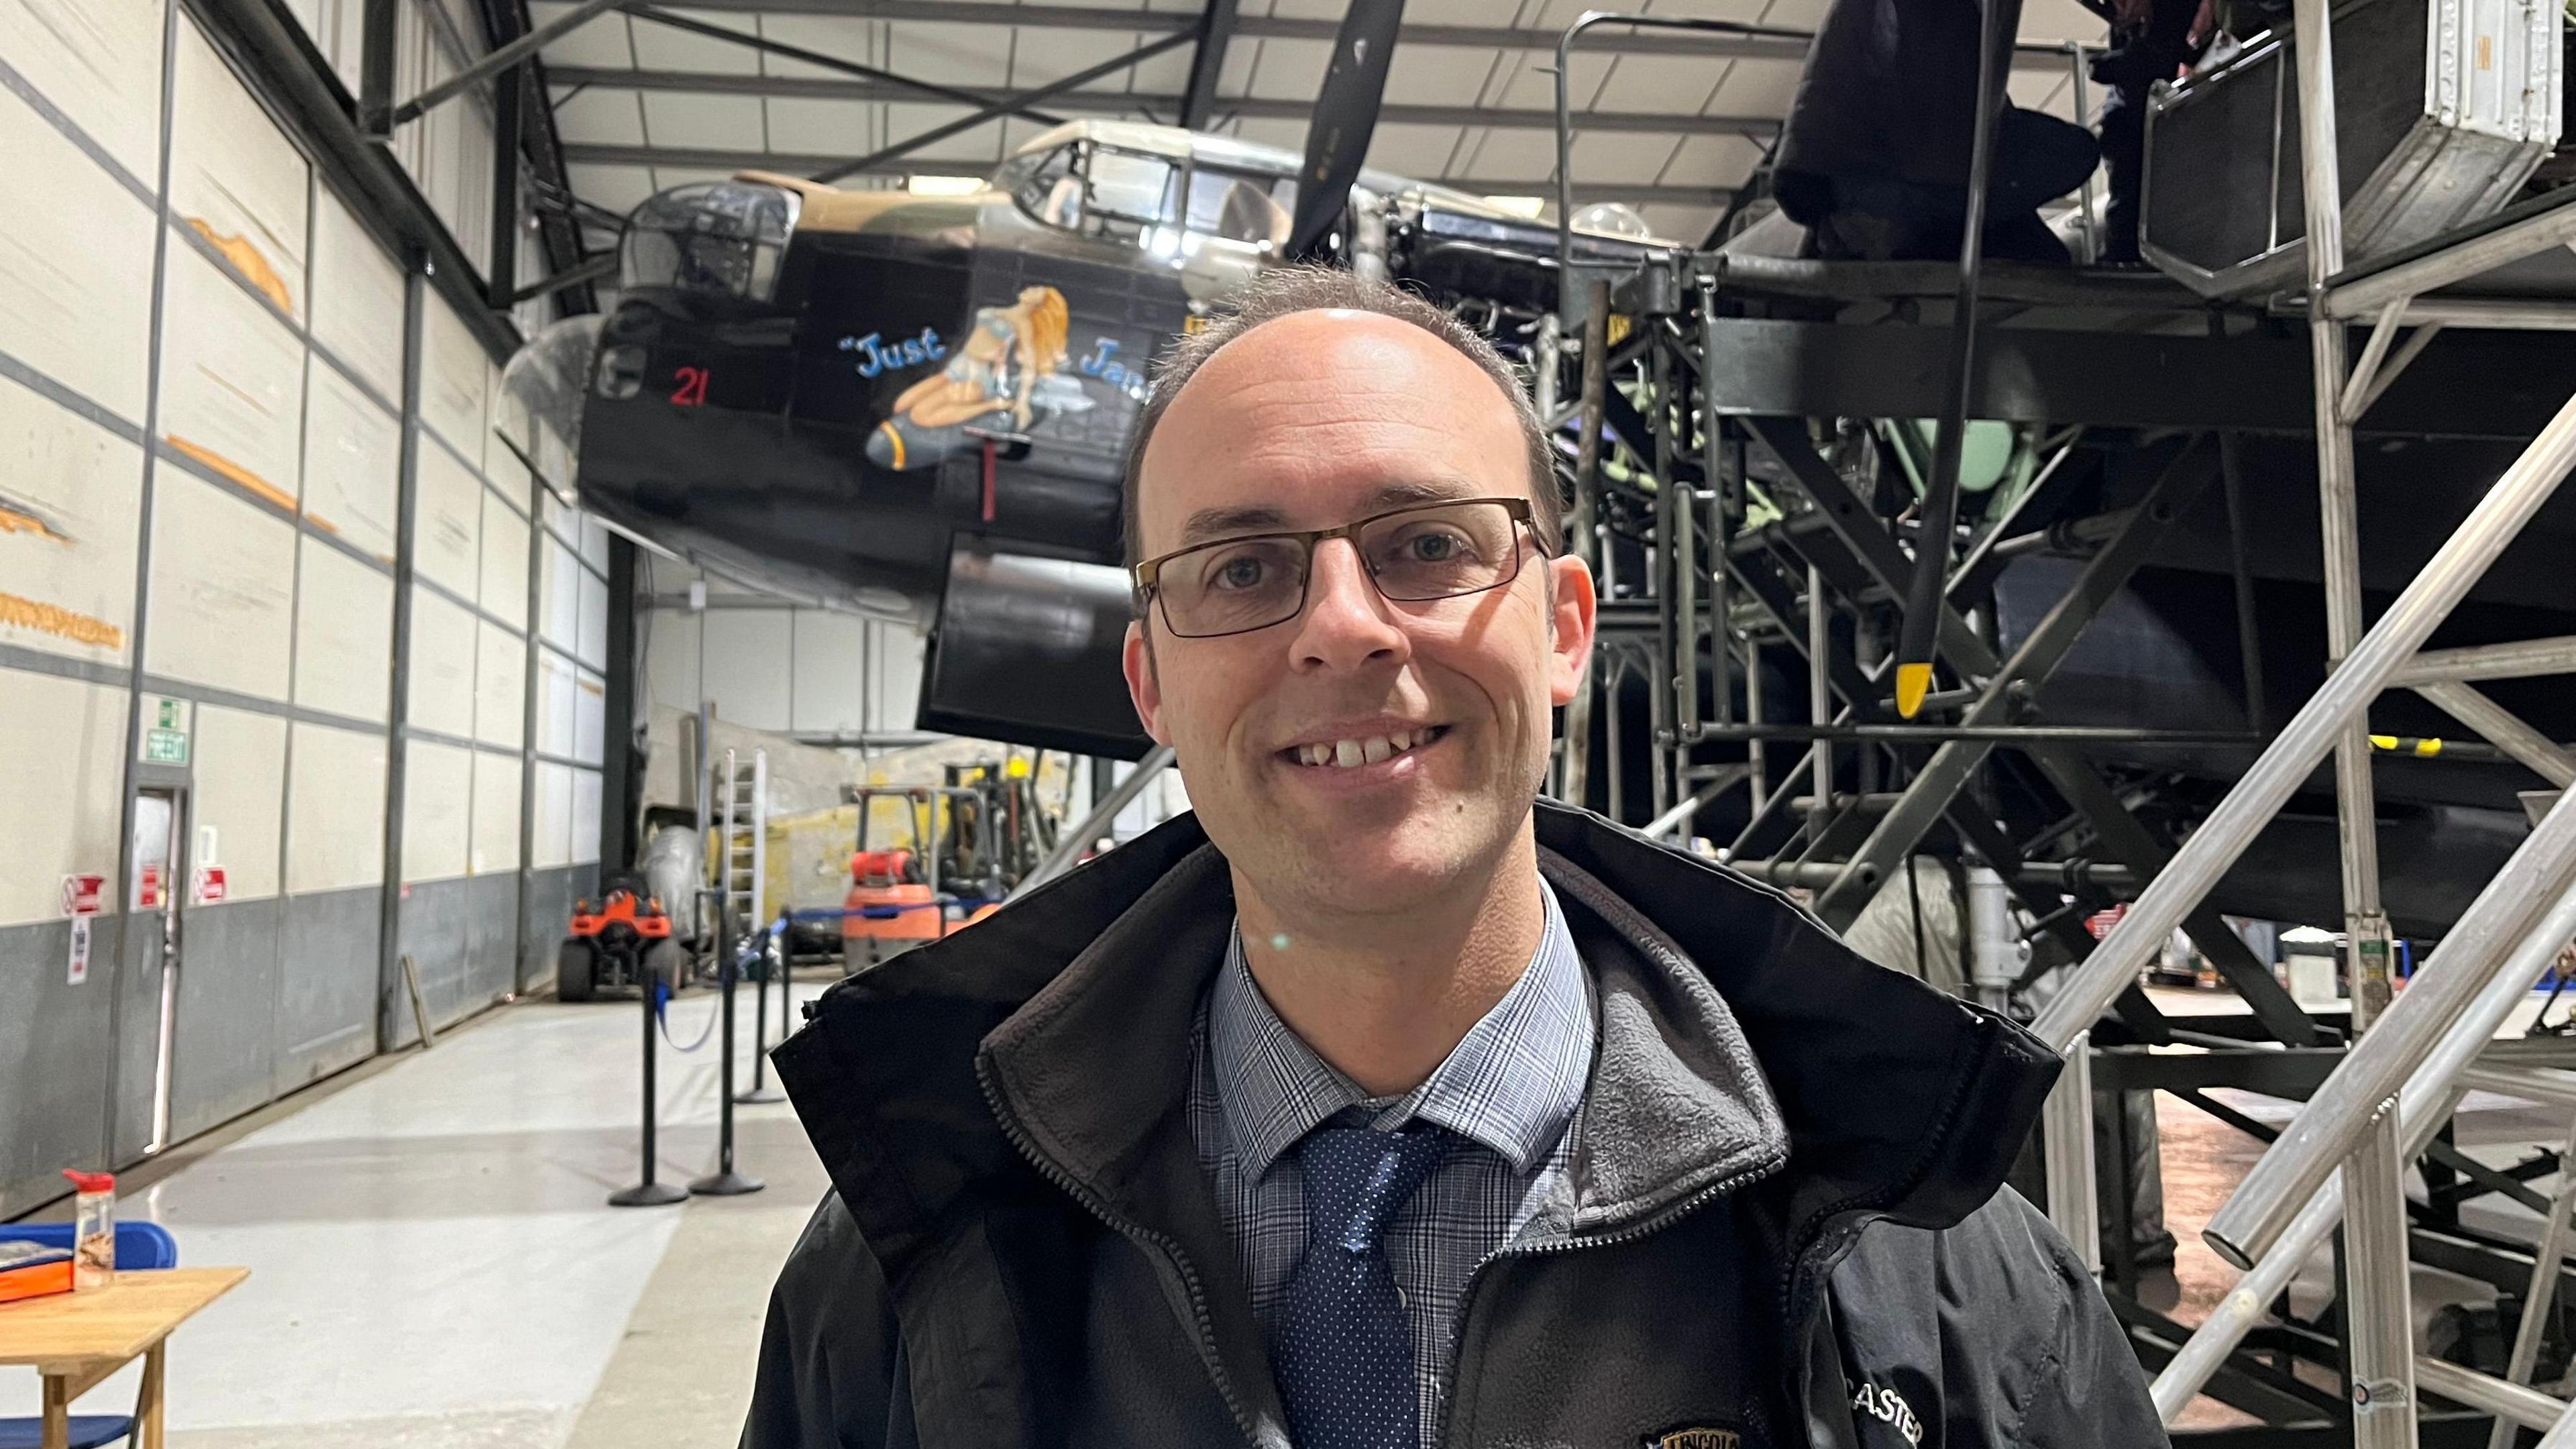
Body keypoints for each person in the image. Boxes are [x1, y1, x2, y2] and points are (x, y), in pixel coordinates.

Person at [741, 267, 2168, 1449]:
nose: (1347, 627)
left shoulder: (1942, 1279)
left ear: (1561, 628)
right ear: (1152, 688)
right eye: (1243, 569)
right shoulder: (907, 1273)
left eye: (1425, 543)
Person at [1774, 0, 2100, 264]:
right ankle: (1876, 227)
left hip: (1864, 178)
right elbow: (1945, 140)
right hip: (1891, 183)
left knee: (2043, 248)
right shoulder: (1939, 21)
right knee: (2071, 163)